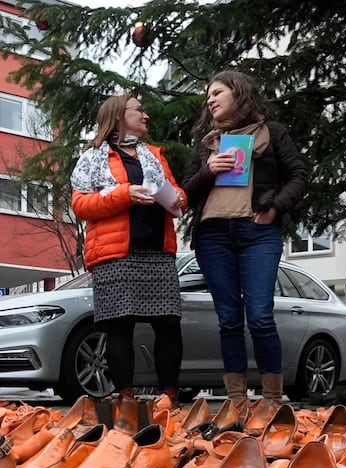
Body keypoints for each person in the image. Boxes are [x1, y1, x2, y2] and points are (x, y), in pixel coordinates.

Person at [182, 70, 307, 412]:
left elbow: (299, 174)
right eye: (208, 95)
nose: (210, 99)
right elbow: (185, 195)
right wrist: (209, 169)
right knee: (228, 320)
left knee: (261, 315)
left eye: (217, 92)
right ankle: (237, 401)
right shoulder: (207, 141)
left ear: (238, 93)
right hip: (213, 236)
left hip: (258, 234)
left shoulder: (273, 133)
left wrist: (275, 207)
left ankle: (270, 401)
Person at [70, 93, 188, 402]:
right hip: (114, 255)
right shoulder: (93, 156)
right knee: (119, 326)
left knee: (169, 323)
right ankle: (125, 397)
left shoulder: (153, 154)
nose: (146, 115)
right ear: (119, 116)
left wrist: (179, 199)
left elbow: (176, 190)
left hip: (157, 251)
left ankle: (169, 398)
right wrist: (124, 194)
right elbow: (80, 204)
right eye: (139, 110)